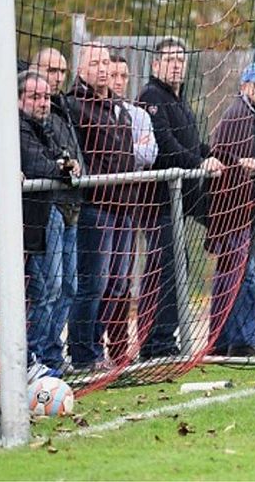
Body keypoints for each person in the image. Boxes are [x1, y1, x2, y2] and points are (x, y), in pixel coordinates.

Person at [137, 37, 223, 360]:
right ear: (156, 64)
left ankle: (163, 339)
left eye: (181, 59)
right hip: (158, 200)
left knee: (177, 268)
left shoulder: (180, 98)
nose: (177, 64)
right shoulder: (151, 96)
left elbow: (192, 143)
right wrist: (200, 163)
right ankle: (155, 343)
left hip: (181, 199)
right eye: (170, 59)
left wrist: (219, 156)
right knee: (165, 270)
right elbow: (165, 146)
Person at [66, 42, 136, 371]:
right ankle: (83, 353)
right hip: (96, 205)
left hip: (125, 205)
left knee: (116, 284)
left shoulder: (118, 107)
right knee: (92, 283)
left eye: (106, 61)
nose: (103, 68)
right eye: (95, 63)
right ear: (80, 70)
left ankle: (99, 348)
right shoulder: (74, 106)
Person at [206, 62, 255, 357]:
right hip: (235, 209)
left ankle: (224, 340)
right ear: (245, 86)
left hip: (250, 208)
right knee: (240, 276)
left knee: (237, 274)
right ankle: (239, 340)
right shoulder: (238, 115)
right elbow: (225, 157)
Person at [17, 71, 79, 373]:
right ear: (18, 100)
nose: (43, 102)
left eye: (45, 96)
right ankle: (33, 357)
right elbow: (39, 165)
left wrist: (66, 165)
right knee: (46, 289)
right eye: (34, 97)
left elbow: (62, 161)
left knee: (67, 286)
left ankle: (49, 355)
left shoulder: (48, 125)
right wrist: (60, 167)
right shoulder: (16, 127)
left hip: (60, 210)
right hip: (37, 217)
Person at [102, 53, 159, 362]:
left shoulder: (138, 114)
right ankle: (88, 348)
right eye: (113, 75)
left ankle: (120, 348)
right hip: (100, 206)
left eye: (124, 76)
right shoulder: (95, 111)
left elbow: (150, 153)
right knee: (99, 279)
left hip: (129, 204)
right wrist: (129, 149)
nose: (119, 81)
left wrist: (125, 150)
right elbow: (118, 153)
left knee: (123, 279)